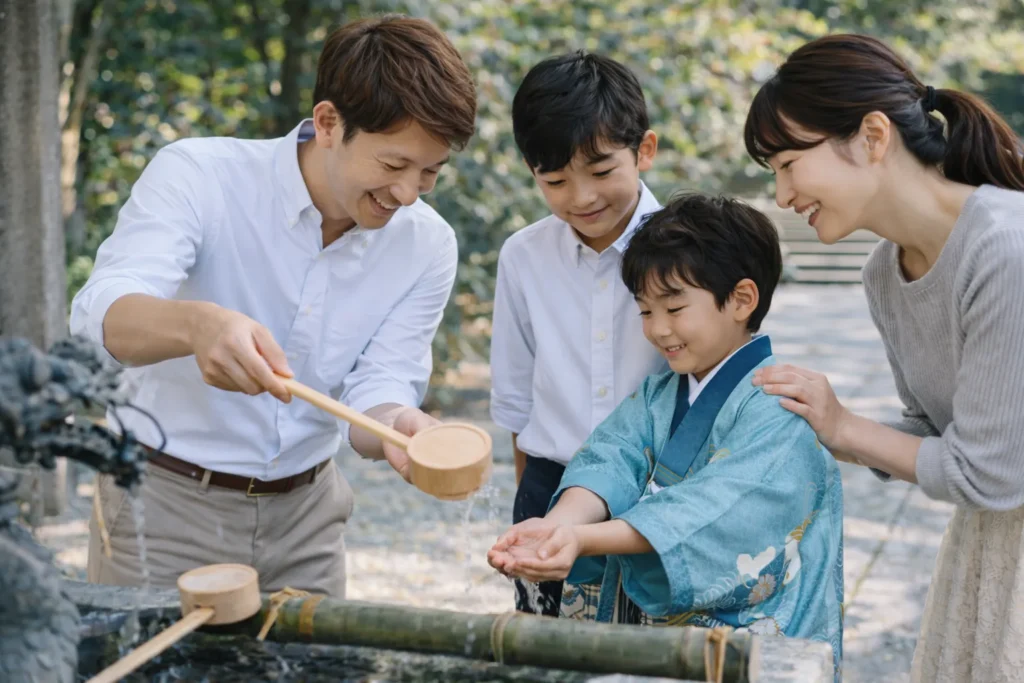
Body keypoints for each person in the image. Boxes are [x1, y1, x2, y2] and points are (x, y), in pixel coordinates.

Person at [69, 14, 477, 598]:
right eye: (393, 165)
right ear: (329, 123)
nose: (408, 193)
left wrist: (400, 426)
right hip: (160, 506)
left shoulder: (428, 244)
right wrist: (196, 324)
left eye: (431, 171)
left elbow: (381, 383)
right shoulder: (200, 175)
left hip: (308, 518)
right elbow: (95, 318)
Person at [743, 33, 1024, 683]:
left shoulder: (1005, 249)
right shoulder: (883, 274)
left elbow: (987, 471)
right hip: (986, 549)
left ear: (872, 136)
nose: (782, 195)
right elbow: (930, 434)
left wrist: (847, 426)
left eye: (788, 163)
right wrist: (817, 427)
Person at [488, 193, 845, 677]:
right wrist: (561, 526)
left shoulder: (780, 410)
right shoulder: (660, 392)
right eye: (645, 311)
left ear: (742, 299)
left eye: (674, 308)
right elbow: (608, 458)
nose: (657, 330)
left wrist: (582, 538)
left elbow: (710, 513)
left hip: (747, 652)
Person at [489, 50, 667, 617]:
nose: (582, 198)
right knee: (548, 653)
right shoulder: (523, 256)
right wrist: (534, 510)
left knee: (656, 658)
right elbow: (517, 403)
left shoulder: (687, 252)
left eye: (601, 171)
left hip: (658, 492)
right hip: (549, 485)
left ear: (644, 151)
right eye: (556, 180)